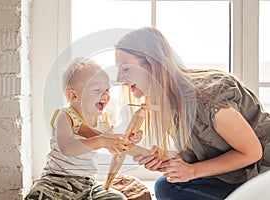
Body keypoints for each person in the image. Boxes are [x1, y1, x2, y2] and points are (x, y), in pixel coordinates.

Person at [115, 27, 270, 200]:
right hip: (232, 175)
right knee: (165, 186)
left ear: (152, 65)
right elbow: (204, 148)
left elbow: (252, 152)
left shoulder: (207, 98)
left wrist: (193, 171)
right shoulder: (167, 102)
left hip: (261, 174)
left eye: (126, 68)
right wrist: (168, 159)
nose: (119, 78)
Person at [25, 58, 142, 200]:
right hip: (55, 181)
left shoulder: (102, 119)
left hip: (87, 184)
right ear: (73, 95)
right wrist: (101, 140)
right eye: (97, 90)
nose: (105, 95)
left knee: (118, 198)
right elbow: (67, 148)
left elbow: (112, 147)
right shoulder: (65, 116)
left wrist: (127, 140)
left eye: (107, 89)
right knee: (38, 196)